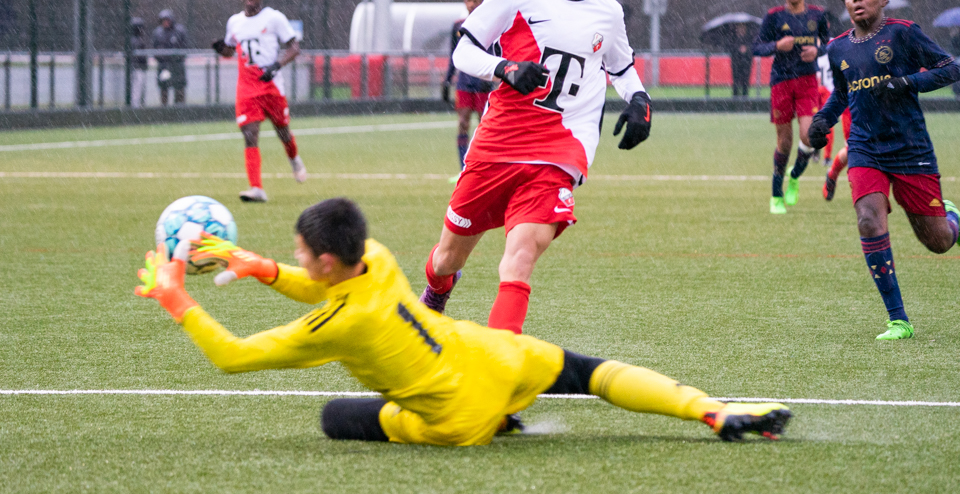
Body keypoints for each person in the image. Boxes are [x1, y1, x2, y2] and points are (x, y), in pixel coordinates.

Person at [134, 197, 792, 446]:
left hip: (456, 418)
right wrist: (262, 268)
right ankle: (711, 411)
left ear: (331, 260)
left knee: (337, 419)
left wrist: (175, 297)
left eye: (304, 254)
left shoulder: (339, 327)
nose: (298, 261)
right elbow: (314, 285)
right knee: (594, 372)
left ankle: (498, 421)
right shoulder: (379, 259)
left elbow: (233, 356)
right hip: (493, 356)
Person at [418, 0, 652, 334]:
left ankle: (501, 371)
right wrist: (504, 68)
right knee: (448, 256)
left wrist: (640, 100)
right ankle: (434, 296)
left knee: (520, 256)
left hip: (560, 151)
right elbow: (465, 52)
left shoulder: (607, 10)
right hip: (498, 143)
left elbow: (621, 67)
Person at [808, 0, 960, 340]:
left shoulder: (904, 33)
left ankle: (952, 217)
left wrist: (907, 81)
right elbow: (842, 95)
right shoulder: (837, 46)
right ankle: (898, 320)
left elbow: (949, 68)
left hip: (910, 148)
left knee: (938, 242)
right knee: (869, 220)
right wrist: (822, 121)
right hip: (865, 147)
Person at [213, 0, 306, 203]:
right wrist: (220, 49)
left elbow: (294, 48)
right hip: (247, 86)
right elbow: (230, 51)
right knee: (250, 134)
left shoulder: (273, 18)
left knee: (282, 131)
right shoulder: (234, 22)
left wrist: (277, 66)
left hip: (270, 85)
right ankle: (256, 188)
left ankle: (294, 159)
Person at [753, 0, 830, 214]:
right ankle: (776, 194)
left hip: (807, 81)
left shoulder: (818, 15)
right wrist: (777, 46)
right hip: (781, 82)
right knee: (784, 143)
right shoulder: (774, 17)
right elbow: (757, 47)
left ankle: (794, 176)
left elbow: (831, 44)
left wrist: (817, 51)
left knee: (809, 137)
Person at [442, 0, 491, 181]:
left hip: (482, 83)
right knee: (463, 123)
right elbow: (454, 56)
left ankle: (483, 167)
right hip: (464, 83)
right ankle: (464, 168)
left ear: (482, 2)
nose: (471, 4)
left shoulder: (489, 24)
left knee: (485, 127)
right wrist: (447, 81)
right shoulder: (458, 26)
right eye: (468, 0)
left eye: (475, 0)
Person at [152, 9, 189, 106]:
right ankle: (164, 112)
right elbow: (155, 49)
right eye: (163, 20)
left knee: (179, 88)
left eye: (167, 20)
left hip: (177, 65)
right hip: (163, 66)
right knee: (164, 88)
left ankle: (179, 110)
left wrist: (175, 58)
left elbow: (185, 48)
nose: (165, 23)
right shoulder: (158, 33)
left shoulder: (179, 31)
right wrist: (163, 60)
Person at [729, 23, 753, 97]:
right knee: (736, 80)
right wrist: (738, 49)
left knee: (745, 80)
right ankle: (735, 96)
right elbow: (730, 48)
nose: (741, 30)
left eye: (743, 28)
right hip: (736, 62)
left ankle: (745, 96)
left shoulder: (749, 38)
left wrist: (747, 49)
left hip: (746, 62)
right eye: (739, 28)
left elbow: (753, 47)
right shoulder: (733, 38)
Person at [129, 17, 149, 108]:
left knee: (137, 92)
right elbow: (140, 57)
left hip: (138, 69)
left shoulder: (133, 39)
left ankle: (137, 109)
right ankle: (135, 111)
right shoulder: (135, 40)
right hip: (137, 69)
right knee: (136, 93)